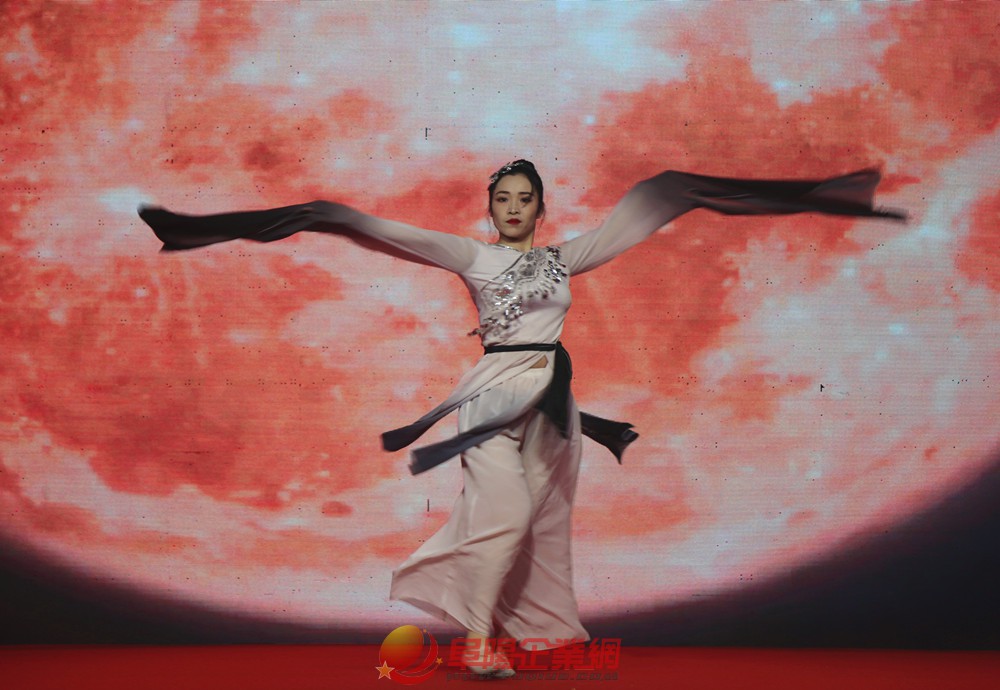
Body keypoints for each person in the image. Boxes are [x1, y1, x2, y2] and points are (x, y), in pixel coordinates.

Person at [138, 161, 904, 677]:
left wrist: (823, 197)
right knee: (501, 514)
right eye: (502, 198)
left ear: (540, 208)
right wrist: (223, 227)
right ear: (490, 208)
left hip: (554, 402)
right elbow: (345, 220)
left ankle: (525, 635)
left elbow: (669, 195)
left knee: (540, 521)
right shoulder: (471, 257)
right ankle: (478, 643)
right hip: (492, 395)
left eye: (524, 199)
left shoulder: (565, 259)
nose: (512, 208)